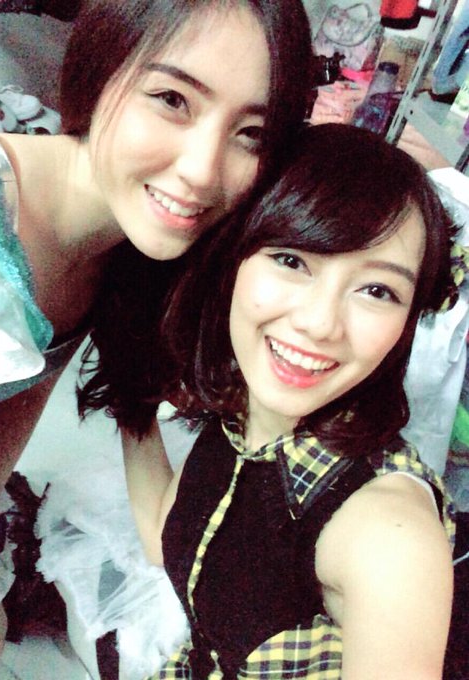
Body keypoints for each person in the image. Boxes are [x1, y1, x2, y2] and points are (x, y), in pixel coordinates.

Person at [0, 0, 313, 671]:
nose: (203, 170)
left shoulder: (118, 248)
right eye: (173, 100)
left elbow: (27, 391)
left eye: (251, 133)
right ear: (100, 70)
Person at [125, 123, 461, 679]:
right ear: (234, 258)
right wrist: (129, 397)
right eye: (292, 260)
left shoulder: (389, 537)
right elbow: (169, 540)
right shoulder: (245, 412)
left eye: (377, 291)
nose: (320, 324)